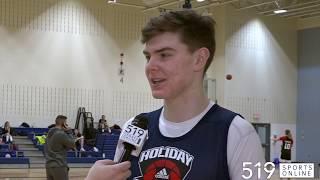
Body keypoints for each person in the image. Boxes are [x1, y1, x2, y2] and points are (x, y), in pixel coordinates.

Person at [86, 10, 266, 180]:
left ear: (199, 59)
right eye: (148, 57)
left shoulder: (238, 134)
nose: (150, 66)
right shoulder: (134, 128)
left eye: (164, 55)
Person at [44, 115, 83, 180]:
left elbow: (60, 147)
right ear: (63, 124)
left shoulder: (49, 134)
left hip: (48, 166)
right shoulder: (60, 134)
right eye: (66, 123)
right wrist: (69, 132)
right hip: (59, 166)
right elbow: (73, 144)